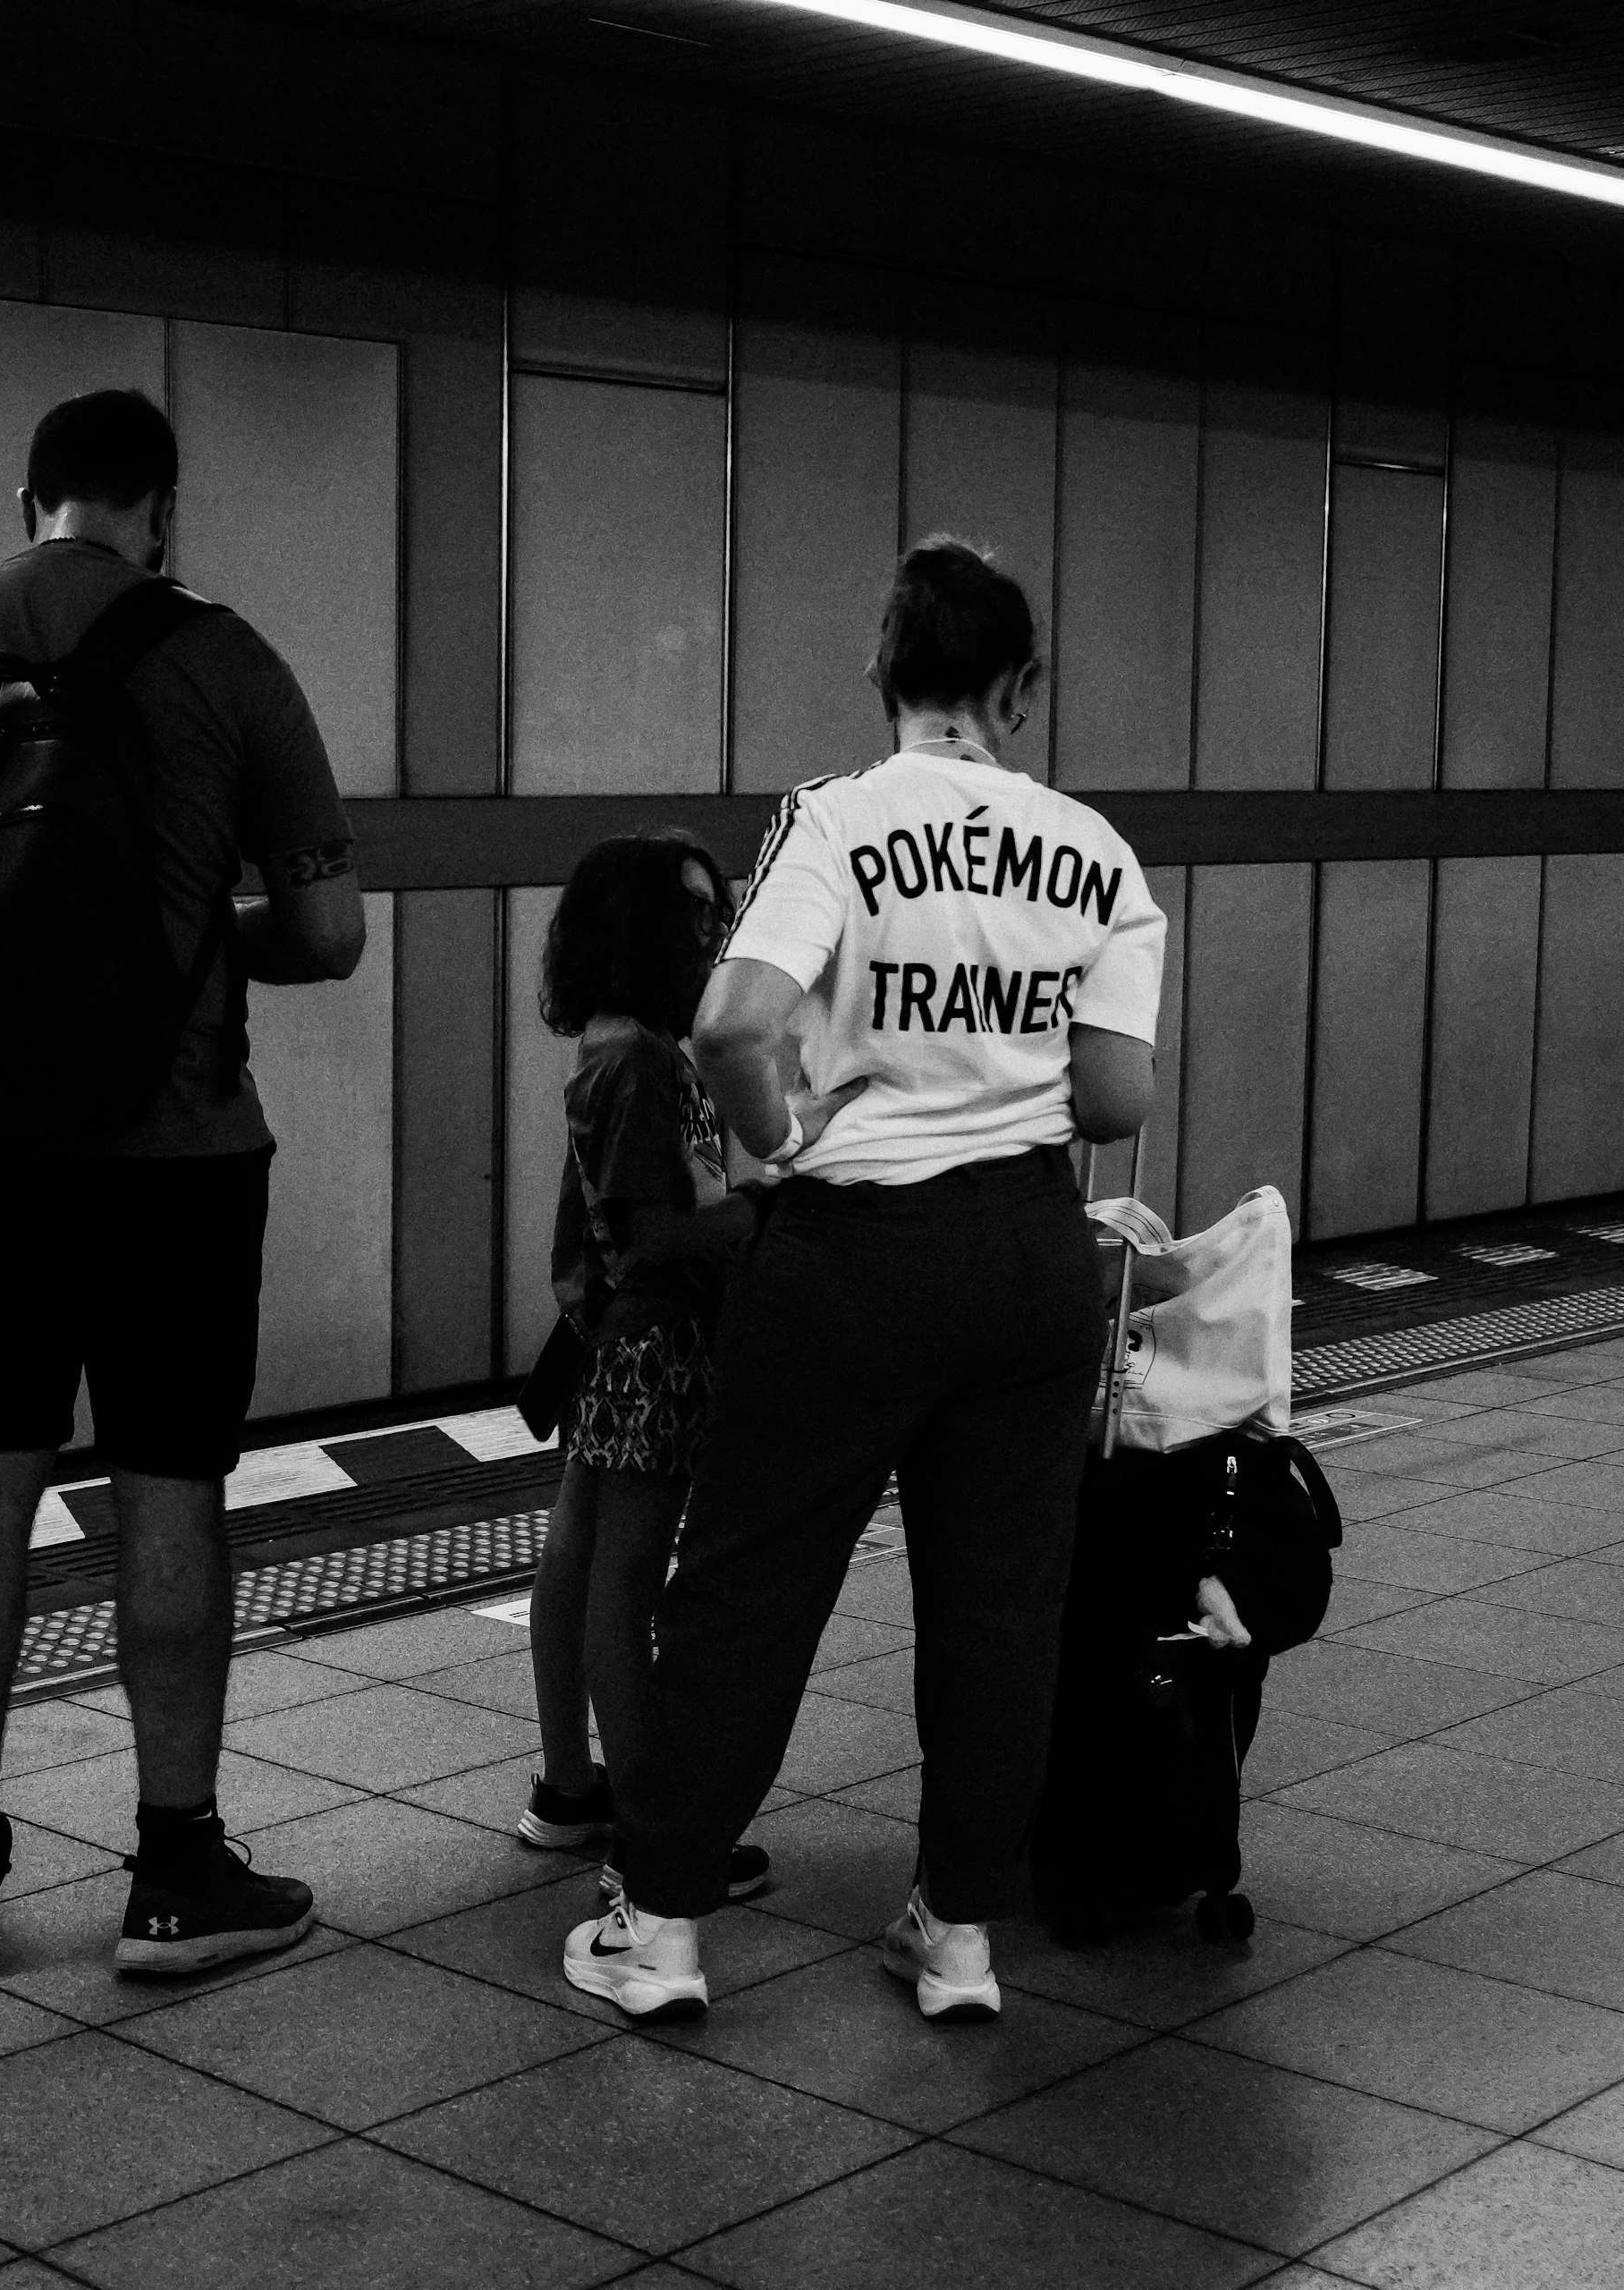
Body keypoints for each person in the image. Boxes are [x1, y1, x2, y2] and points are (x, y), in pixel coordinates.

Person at [0, 388, 365, 1977]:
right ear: (161, 510)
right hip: (178, 1151)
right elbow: (328, 934)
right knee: (169, 1485)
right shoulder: (228, 658)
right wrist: (193, 951)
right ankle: (177, 1874)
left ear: (26, 495)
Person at [560, 536, 1164, 2024]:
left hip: (849, 1264)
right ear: (1022, 687)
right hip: (1028, 1262)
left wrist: (773, 1148)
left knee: (749, 1593)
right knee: (1002, 1610)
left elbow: (731, 1022)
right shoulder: (1095, 852)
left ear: (883, 674)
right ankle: (958, 1935)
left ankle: (665, 1931)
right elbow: (1116, 1099)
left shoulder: (836, 819)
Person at [514, 831, 842, 1903]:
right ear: (641, 930)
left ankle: (572, 1784)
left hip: (609, 1342)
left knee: (576, 1556)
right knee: (626, 1591)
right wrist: (763, 1208)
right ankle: (653, 1828)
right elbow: (655, 1235)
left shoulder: (616, 1046)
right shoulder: (646, 1063)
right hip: (651, 1348)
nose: (716, 933)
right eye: (696, 915)